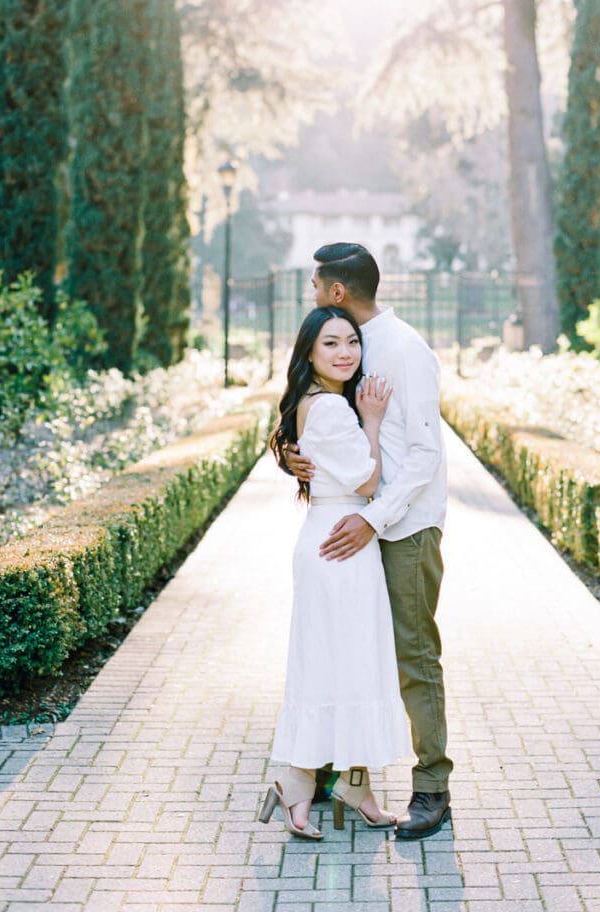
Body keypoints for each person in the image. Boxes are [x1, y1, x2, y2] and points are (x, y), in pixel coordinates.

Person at [285, 242, 453, 841]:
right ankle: (342, 777)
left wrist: (374, 519)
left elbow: (427, 453)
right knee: (354, 652)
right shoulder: (340, 341)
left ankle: (432, 787)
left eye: (314, 286)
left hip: (403, 526)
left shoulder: (405, 349)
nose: (311, 295)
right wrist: (292, 457)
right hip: (356, 523)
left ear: (336, 290)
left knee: (412, 656)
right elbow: (314, 420)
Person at [260, 305, 411, 840]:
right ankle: (324, 784)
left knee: (330, 663)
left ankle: (317, 787)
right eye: (330, 344)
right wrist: (370, 420)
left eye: (351, 342)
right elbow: (369, 483)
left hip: (327, 537)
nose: (345, 352)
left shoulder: (313, 403)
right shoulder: (333, 410)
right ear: (308, 352)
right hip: (342, 543)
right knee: (348, 663)